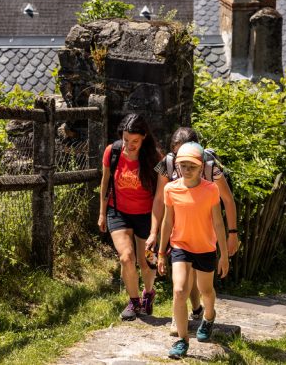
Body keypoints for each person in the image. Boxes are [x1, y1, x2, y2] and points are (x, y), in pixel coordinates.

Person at [148, 127, 238, 323]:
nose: (184, 165)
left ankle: (200, 310)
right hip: (179, 227)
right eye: (179, 156)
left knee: (200, 280)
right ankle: (180, 319)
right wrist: (154, 232)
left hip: (204, 227)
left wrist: (233, 233)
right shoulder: (168, 163)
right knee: (181, 279)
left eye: (190, 160)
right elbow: (158, 199)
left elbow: (228, 200)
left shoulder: (210, 166)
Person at [156, 142, 229, 359]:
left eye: (192, 166)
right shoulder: (171, 189)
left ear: (200, 168)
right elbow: (167, 222)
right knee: (179, 291)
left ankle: (208, 316)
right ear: (177, 167)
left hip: (205, 247)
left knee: (205, 290)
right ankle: (182, 340)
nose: (187, 170)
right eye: (183, 166)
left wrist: (224, 255)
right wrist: (161, 253)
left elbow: (218, 223)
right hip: (180, 246)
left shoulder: (210, 189)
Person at [97, 113, 163, 320]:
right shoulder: (113, 151)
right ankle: (134, 302)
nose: (130, 145)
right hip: (118, 212)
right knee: (126, 257)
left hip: (146, 214)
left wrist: (155, 228)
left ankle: (148, 292)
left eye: (135, 141)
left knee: (147, 262)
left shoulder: (156, 158)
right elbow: (105, 183)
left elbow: (161, 196)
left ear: (144, 137)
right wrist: (101, 213)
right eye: (126, 140)